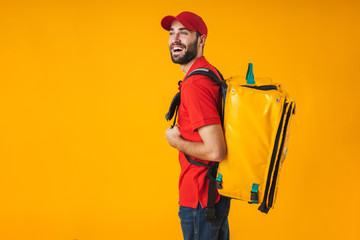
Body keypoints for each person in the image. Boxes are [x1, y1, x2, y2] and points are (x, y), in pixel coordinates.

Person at [162, 11, 231, 240]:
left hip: (200, 200)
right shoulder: (210, 73)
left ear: (201, 40)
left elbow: (216, 150)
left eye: (184, 32)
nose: (175, 39)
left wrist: (176, 142)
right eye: (172, 33)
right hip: (212, 196)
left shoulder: (196, 84)